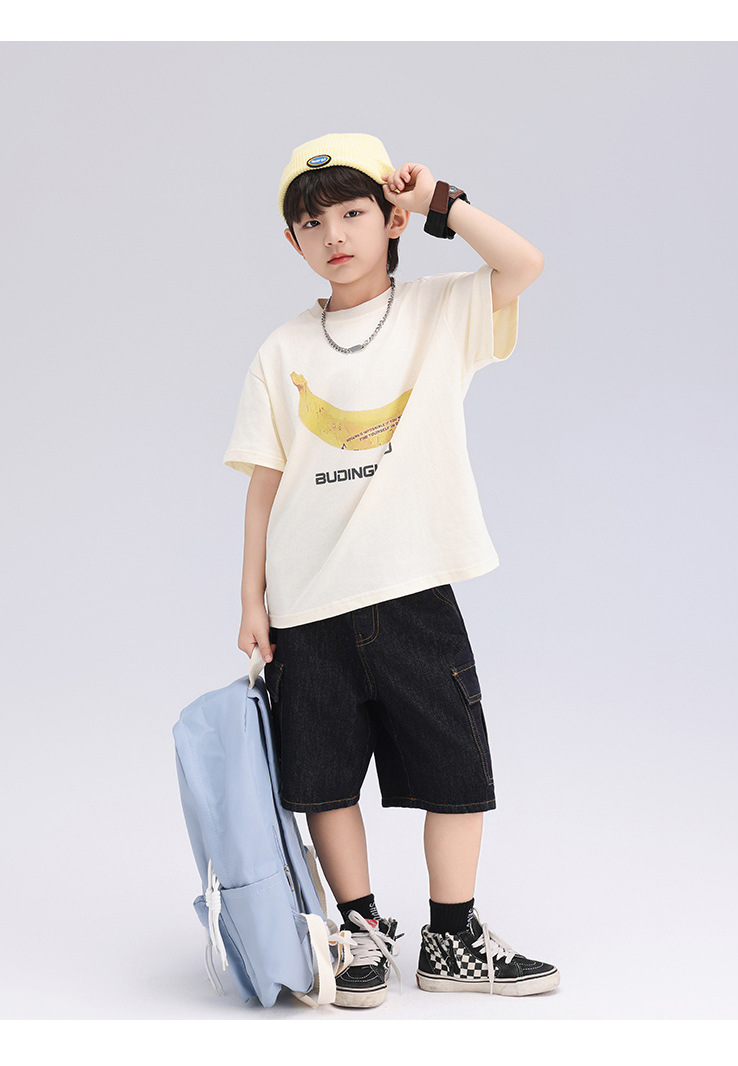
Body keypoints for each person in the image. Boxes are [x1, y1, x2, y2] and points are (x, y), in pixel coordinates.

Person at [222, 132, 559, 1008]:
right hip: (308, 605)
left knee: (457, 771)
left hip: (413, 591)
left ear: (391, 219)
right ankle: (360, 930)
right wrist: (251, 596)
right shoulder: (280, 351)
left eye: (352, 211)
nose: (333, 234)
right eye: (311, 223)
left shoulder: (438, 313)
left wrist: (444, 200)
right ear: (292, 241)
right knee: (323, 779)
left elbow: (523, 263)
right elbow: (264, 484)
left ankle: (452, 937)